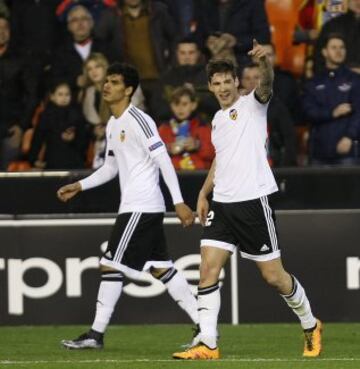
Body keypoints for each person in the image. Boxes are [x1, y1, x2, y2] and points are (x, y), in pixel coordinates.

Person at [173, 43, 322, 360]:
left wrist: (265, 62)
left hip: (253, 203)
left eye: (228, 81)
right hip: (222, 206)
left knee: (275, 278)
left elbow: (266, 84)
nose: (224, 87)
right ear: (211, 87)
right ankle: (209, 343)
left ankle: (310, 324)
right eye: (217, 83)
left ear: (236, 83)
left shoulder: (254, 104)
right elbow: (220, 159)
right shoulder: (216, 119)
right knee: (207, 270)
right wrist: (203, 192)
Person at [57, 62, 199, 349]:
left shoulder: (139, 120)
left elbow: (163, 161)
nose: (107, 85)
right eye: (106, 80)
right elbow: (111, 168)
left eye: (114, 82)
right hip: (137, 205)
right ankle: (204, 327)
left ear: (129, 89)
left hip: (142, 205)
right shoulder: (113, 124)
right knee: (162, 268)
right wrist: (80, 184)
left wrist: (180, 202)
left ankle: (95, 335)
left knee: (110, 264)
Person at [303, 34, 360, 165]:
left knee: (348, 186)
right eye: (334, 47)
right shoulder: (314, 82)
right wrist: (332, 113)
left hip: (347, 151)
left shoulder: (355, 79)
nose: (339, 51)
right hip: (319, 152)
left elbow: (359, 112)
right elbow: (308, 111)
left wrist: (349, 137)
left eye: (342, 47)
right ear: (324, 52)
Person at [240, 62, 297, 167]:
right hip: (243, 167)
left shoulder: (277, 107)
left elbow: (289, 138)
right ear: (241, 82)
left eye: (256, 77)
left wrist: (284, 167)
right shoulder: (236, 108)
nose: (252, 82)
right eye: (247, 78)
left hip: (272, 166)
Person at [151, 36, 219, 122]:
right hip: (171, 128)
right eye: (182, 53)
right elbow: (156, 109)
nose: (187, 57)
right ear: (177, 54)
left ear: (198, 54)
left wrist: (195, 96)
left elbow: (218, 107)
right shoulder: (166, 78)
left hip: (204, 127)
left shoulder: (210, 77)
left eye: (191, 53)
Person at [28, 80, 88, 170]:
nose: (64, 98)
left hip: (75, 160)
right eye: (60, 94)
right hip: (53, 160)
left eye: (67, 94)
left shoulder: (77, 114)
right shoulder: (46, 115)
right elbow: (38, 138)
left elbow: (84, 139)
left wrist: (73, 138)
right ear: (52, 97)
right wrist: (33, 159)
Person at [158, 86, 214, 170]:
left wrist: (198, 145)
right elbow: (151, 154)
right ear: (171, 106)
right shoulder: (164, 129)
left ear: (193, 105)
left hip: (199, 176)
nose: (180, 108)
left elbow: (214, 154)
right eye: (176, 104)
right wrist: (168, 149)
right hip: (174, 175)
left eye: (184, 104)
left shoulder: (203, 128)